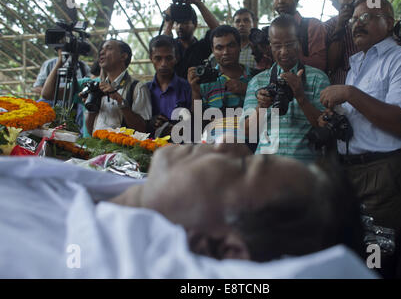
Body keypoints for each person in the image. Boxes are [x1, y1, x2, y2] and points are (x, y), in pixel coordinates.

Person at [0, 145, 374, 278]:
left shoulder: (64, 261)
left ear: (227, 251)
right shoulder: (103, 196)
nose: (227, 141)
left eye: (244, 168)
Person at [319, 0, 401, 278]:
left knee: (379, 261)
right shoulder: (357, 64)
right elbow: (360, 118)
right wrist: (334, 117)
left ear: (389, 23)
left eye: (367, 17)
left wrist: (350, 94)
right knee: (360, 257)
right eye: (355, 19)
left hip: (384, 173)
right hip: (352, 172)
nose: (358, 24)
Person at [242, 14, 330, 162]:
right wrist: (261, 107)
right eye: (277, 46)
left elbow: (325, 127)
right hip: (266, 170)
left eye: (289, 44)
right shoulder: (257, 82)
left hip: (305, 171)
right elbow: (247, 132)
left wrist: (301, 97)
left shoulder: (317, 79)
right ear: (270, 45)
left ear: (299, 42)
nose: (283, 51)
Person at [85, 39, 152, 135]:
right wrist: (90, 106)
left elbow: (142, 129)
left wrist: (120, 101)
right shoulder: (98, 88)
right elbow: (90, 130)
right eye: (102, 49)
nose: (102, 52)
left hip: (122, 149)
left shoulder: (137, 88)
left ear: (123, 56)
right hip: (97, 147)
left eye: (109, 48)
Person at [271, 0, 327, 72]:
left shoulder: (312, 25)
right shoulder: (271, 31)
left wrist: (289, 58)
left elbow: (320, 64)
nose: (281, 1)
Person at [163, 0, 220, 79]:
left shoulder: (202, 47)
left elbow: (218, 31)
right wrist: (169, 19)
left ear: (195, 25)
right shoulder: (172, 46)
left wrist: (198, 3)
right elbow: (161, 47)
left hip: (199, 90)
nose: (180, 26)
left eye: (185, 22)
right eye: (177, 23)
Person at [145, 35, 192, 137]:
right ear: (151, 58)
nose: (163, 64)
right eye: (158, 58)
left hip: (181, 147)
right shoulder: (144, 90)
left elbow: (196, 123)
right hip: (148, 148)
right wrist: (150, 122)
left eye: (169, 58)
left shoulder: (188, 88)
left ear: (176, 58)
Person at [325, 0, 368, 84]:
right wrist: (340, 26)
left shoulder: (376, 21)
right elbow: (330, 66)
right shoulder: (328, 26)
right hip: (342, 88)